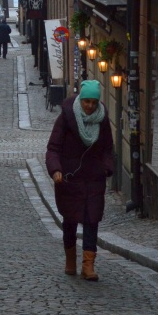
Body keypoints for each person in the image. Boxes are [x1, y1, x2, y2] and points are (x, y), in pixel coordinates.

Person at [45, 79, 114, 280]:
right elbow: (53, 148)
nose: (90, 106)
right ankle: (70, 260)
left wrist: (106, 168)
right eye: (87, 102)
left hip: (94, 179)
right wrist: (55, 169)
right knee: (70, 220)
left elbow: (108, 148)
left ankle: (88, 265)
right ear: (81, 100)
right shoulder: (67, 118)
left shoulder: (102, 120)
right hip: (70, 179)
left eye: (94, 102)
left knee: (92, 220)